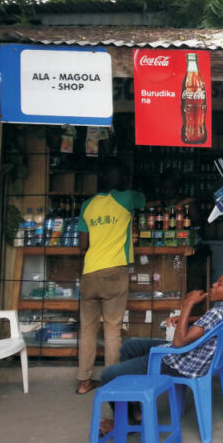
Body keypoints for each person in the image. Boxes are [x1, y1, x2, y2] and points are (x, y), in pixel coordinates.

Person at [95, 271, 223, 434]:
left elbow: (179, 343)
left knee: (109, 375)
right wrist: (186, 320)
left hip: (182, 363)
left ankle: (125, 421)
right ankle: (135, 413)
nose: (213, 285)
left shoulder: (217, 313)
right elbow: (209, 323)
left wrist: (187, 305)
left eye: (220, 284)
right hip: (201, 357)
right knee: (131, 347)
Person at [75, 162, 146, 395]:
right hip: (115, 270)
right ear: (124, 179)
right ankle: (111, 381)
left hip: (90, 271)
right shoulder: (127, 198)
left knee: (87, 328)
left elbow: (83, 245)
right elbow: (144, 201)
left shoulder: (87, 205)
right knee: (112, 328)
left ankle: (85, 381)